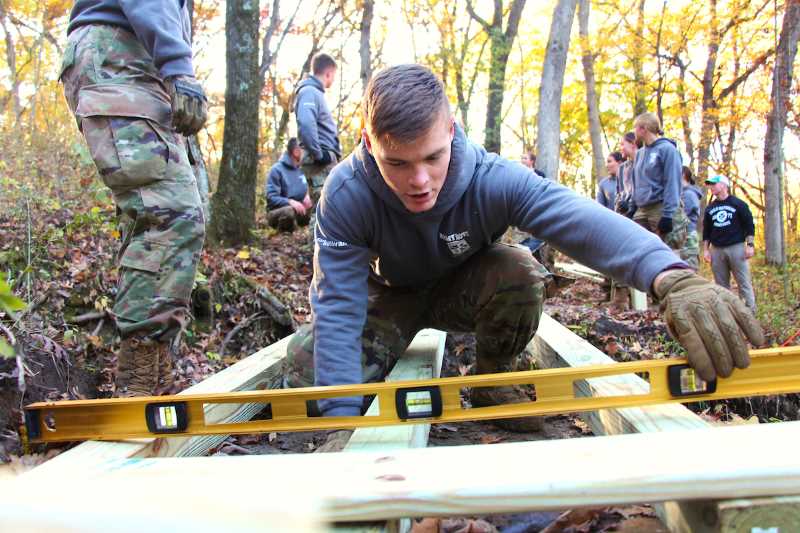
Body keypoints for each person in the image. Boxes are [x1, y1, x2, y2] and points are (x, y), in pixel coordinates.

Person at [281, 65, 763, 452]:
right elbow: (338, 304)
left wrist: (669, 275)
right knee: (304, 367)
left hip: (462, 288)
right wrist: (342, 422)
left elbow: (577, 218)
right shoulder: (345, 193)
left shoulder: (492, 179)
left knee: (519, 267)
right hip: (387, 298)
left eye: (432, 157)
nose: (420, 180)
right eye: (398, 163)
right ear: (369, 144)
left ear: (451, 130)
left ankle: (492, 379)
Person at [61, 1, 208, 397]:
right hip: (119, 53)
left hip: (135, 58)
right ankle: (138, 385)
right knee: (171, 215)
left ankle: (154, 378)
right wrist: (178, 66)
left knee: (167, 214)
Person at [630, 113, 688, 251]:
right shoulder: (639, 153)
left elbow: (672, 182)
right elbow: (635, 182)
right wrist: (632, 206)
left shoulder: (667, 150)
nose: (634, 132)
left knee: (667, 251)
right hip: (642, 208)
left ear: (643, 128)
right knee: (639, 249)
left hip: (661, 207)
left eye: (635, 128)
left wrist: (668, 215)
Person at [702, 175, 757, 311]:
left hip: (736, 247)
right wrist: (706, 250)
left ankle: (750, 312)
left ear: (724, 185)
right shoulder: (710, 208)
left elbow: (749, 225)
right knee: (721, 286)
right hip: (717, 249)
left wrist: (750, 245)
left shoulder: (738, 204)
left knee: (743, 282)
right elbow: (706, 231)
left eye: (714, 184)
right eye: (710, 185)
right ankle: (728, 313)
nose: (711, 187)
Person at [294, 52, 342, 204]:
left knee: (329, 208)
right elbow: (306, 124)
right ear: (328, 73)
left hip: (323, 161)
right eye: (333, 75)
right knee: (323, 208)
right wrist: (319, 154)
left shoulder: (314, 93)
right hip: (318, 163)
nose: (333, 79)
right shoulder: (309, 91)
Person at [266, 137, 313, 232]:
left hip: (299, 211)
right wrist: (290, 202)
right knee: (289, 212)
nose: (307, 154)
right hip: (278, 212)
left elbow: (306, 187)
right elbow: (271, 198)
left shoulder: (302, 170)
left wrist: (307, 196)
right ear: (296, 152)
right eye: (304, 150)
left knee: (321, 206)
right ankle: (285, 236)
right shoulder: (276, 170)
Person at [680, 166, 703, 270]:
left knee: (689, 270)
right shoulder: (681, 193)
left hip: (688, 238)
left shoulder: (689, 194)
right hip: (682, 237)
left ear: (683, 175)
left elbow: (681, 215)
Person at [614, 132, 638, 218]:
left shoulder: (643, 164)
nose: (620, 148)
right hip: (625, 216)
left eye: (622, 144)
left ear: (632, 143)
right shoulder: (621, 169)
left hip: (640, 213)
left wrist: (630, 206)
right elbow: (618, 193)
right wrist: (619, 205)